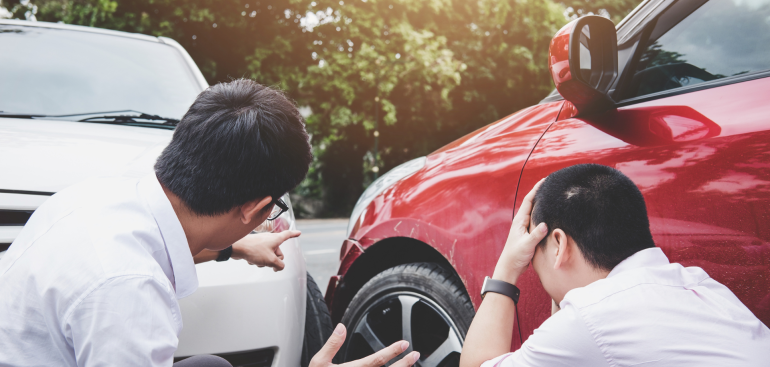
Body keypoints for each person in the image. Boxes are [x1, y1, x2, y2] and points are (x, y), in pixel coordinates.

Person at [0, 79, 419, 367]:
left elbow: (153, 249)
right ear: (254, 210)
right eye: (269, 213)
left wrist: (234, 248)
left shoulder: (97, 195)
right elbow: (127, 278)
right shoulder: (131, 297)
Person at [460, 164, 770, 367]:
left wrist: (507, 268)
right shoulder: (703, 287)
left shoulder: (591, 319)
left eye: (534, 262)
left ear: (558, 245)